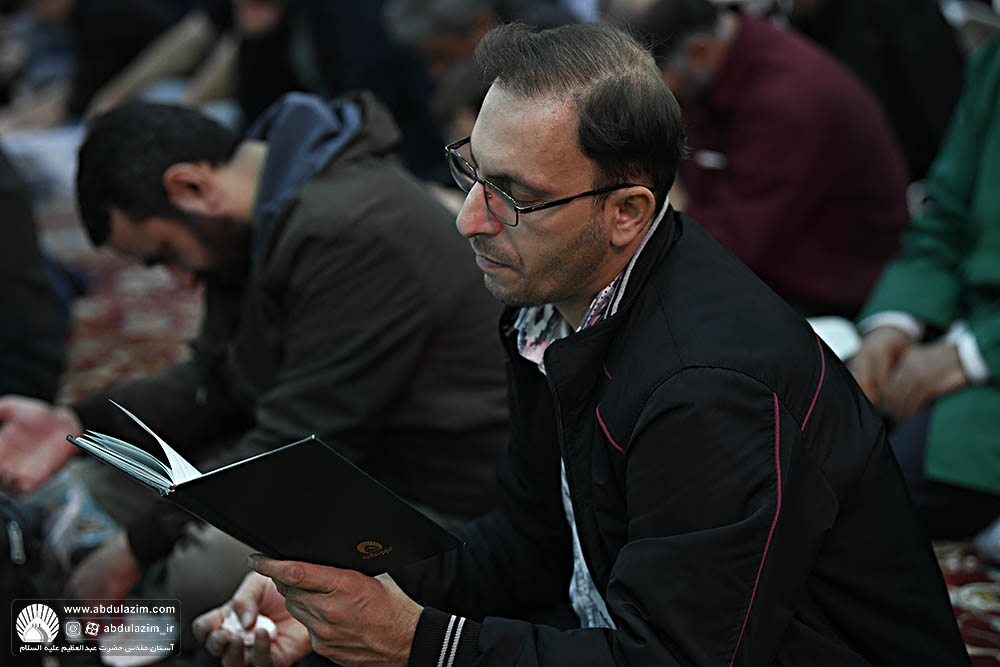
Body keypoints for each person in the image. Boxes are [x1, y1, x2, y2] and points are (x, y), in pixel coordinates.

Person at [193, 22, 968, 666]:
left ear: (626, 212)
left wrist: (421, 641)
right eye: (472, 172)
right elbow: (534, 542)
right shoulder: (552, 303)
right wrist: (355, 587)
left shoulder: (705, 388)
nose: (468, 218)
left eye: (514, 196)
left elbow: (675, 655)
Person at [0, 91, 508, 628]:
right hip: (353, 454)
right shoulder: (264, 213)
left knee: (203, 578)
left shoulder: (353, 228)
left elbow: (296, 444)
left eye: (168, 253)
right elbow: (216, 382)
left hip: (436, 498)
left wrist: (133, 549)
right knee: (108, 479)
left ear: (191, 187)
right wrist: (79, 420)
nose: (181, 280)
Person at [635, 0, 910, 318]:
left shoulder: (786, 102)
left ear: (699, 53)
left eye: (662, 79)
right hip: (766, 263)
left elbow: (732, 245)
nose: (663, 93)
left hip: (831, 292)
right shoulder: (715, 69)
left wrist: (667, 191)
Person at [850, 35, 1000, 541]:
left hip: (984, 361)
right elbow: (945, 218)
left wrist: (970, 356)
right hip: (962, 324)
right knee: (810, 433)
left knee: (867, 498)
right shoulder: (994, 62)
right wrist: (894, 326)